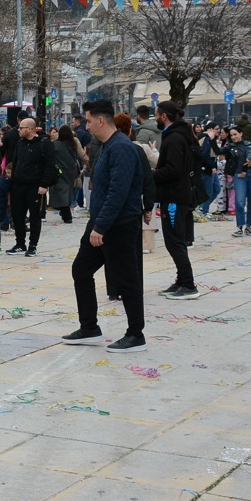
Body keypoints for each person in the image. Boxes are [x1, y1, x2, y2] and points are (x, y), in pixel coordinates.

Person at [64, 99, 146, 351]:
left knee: (126, 279)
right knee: (81, 270)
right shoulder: (106, 146)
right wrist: (96, 224)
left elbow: (118, 193)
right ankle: (89, 327)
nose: (86, 126)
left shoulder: (121, 148)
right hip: (100, 222)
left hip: (118, 225)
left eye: (89, 121)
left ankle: (136, 335)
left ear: (100, 121)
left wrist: (100, 227)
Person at [152, 101, 199, 299]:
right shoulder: (176, 135)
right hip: (174, 195)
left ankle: (188, 285)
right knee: (174, 240)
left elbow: (173, 169)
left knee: (175, 242)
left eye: (156, 114)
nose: (155, 118)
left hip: (174, 196)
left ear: (164, 116)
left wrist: (151, 174)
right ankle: (181, 280)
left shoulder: (174, 138)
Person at [5, 118, 55, 256]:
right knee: (17, 215)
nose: (19, 130)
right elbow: (15, 162)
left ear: (30, 129)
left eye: (21, 128)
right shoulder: (20, 143)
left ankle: (33, 245)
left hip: (35, 186)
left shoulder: (44, 144)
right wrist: (13, 179)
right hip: (18, 185)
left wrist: (44, 184)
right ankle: (20, 243)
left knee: (34, 216)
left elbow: (49, 165)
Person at [49, 125, 85, 225]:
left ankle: (66, 215)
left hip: (60, 171)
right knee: (68, 190)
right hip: (71, 171)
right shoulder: (73, 144)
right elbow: (79, 155)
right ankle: (65, 211)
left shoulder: (55, 145)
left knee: (62, 191)